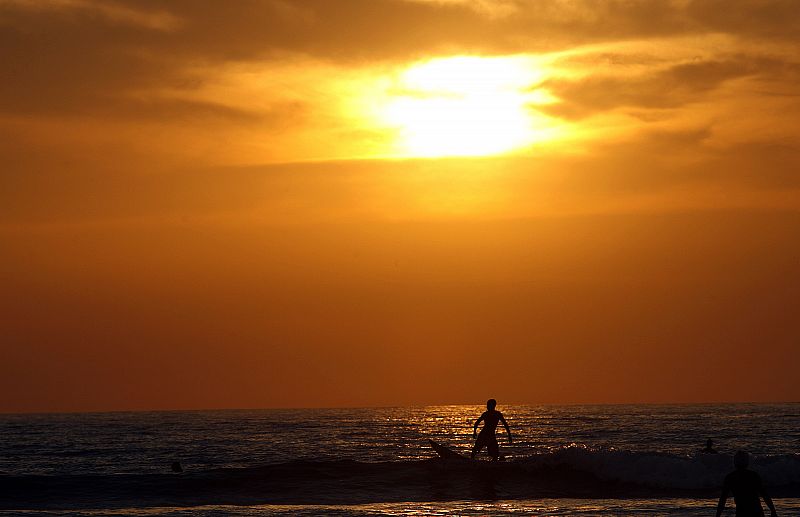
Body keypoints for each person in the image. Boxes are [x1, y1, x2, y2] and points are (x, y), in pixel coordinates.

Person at [716, 451, 778, 517]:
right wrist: (773, 510)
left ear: (734, 462)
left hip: (741, 512)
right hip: (757, 511)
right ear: (747, 463)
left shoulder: (730, 478)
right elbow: (764, 495)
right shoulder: (754, 475)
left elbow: (723, 499)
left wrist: (718, 515)